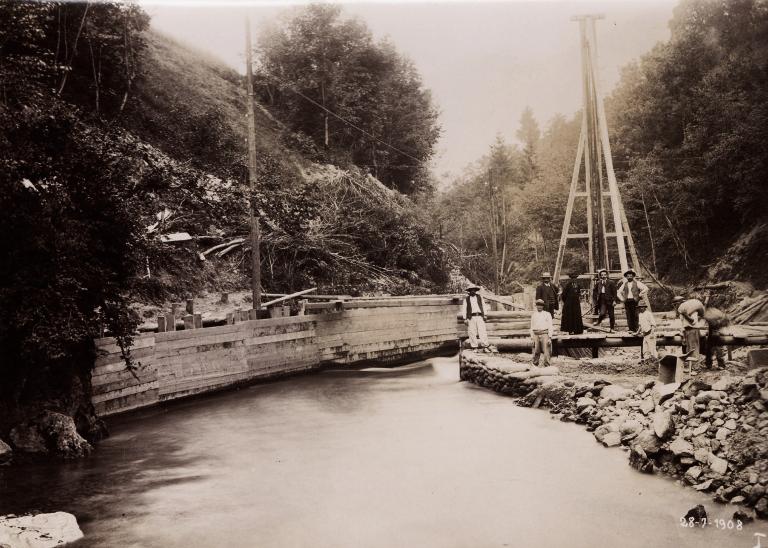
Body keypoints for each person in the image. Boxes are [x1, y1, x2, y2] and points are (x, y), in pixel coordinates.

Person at [674, 295, 705, 360]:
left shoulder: (692, 310)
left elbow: (693, 321)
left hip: (692, 330)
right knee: (689, 349)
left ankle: (695, 366)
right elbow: (683, 323)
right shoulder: (682, 311)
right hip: (687, 330)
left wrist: (685, 315)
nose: (676, 306)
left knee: (693, 349)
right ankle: (691, 366)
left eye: (676, 304)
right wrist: (682, 332)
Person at [460, 284, 490, 351]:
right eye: (471, 290)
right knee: (472, 332)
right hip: (471, 317)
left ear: (476, 290)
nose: (473, 291)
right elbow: (464, 309)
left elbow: (484, 306)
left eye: (474, 290)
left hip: (479, 316)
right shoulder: (466, 299)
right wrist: (465, 318)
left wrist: (485, 315)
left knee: (482, 331)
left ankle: (485, 346)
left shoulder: (479, 297)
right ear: (469, 291)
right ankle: (474, 347)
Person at [703, 305, 730, 369]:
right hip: (715, 337)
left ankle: (710, 365)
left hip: (714, 337)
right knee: (715, 351)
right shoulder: (718, 319)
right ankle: (719, 365)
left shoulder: (711, 319)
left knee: (711, 352)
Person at [530, 298, 553, 367]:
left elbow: (550, 326)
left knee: (546, 352)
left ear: (543, 306)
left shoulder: (547, 314)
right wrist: (532, 338)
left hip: (544, 334)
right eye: (538, 305)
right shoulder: (534, 315)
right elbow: (531, 327)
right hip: (536, 334)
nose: (539, 307)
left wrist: (550, 337)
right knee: (536, 351)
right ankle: (534, 365)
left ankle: (547, 366)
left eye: (541, 305)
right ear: (536, 306)